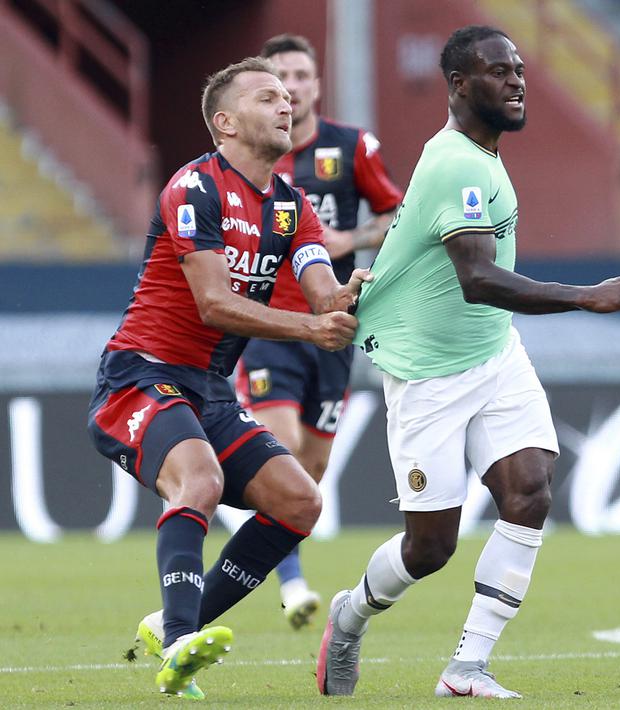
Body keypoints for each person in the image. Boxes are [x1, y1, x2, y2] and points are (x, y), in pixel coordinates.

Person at [315, 25, 620, 699]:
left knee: (530, 489)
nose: (516, 82)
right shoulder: (457, 164)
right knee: (430, 549)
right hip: (428, 373)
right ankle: (349, 616)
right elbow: (477, 278)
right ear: (458, 85)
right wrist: (585, 296)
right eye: (498, 71)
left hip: (493, 352)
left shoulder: (482, 155)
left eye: (519, 70)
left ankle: (466, 668)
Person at [86, 56, 366, 698]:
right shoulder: (195, 188)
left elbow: (324, 297)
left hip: (208, 389)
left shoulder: (291, 207)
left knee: (300, 502)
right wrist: (311, 329)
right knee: (202, 479)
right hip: (141, 375)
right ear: (226, 122)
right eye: (266, 96)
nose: (285, 103)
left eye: (286, 96)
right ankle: (180, 642)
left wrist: (356, 292)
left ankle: (174, 625)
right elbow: (214, 304)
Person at [233, 33, 403, 630]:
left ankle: (276, 562)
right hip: (270, 328)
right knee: (278, 453)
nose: (292, 88)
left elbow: (397, 215)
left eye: (301, 75)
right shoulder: (249, 154)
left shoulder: (353, 148)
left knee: (311, 471)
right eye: (280, 77)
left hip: (333, 330)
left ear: (316, 85)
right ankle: (292, 582)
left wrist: (348, 239)